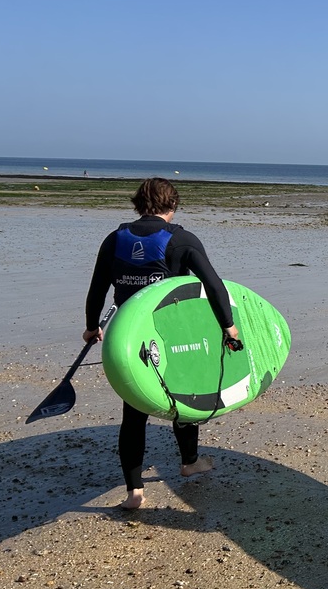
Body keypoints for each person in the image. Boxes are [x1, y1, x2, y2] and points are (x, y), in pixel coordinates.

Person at [83, 178, 239, 510]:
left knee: (134, 408)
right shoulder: (182, 240)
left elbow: (97, 288)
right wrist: (229, 326)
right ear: (174, 205)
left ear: (138, 204)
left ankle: (134, 492)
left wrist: (91, 326)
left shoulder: (115, 239)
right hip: (172, 334)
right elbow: (214, 286)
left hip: (129, 338)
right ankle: (189, 461)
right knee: (183, 396)